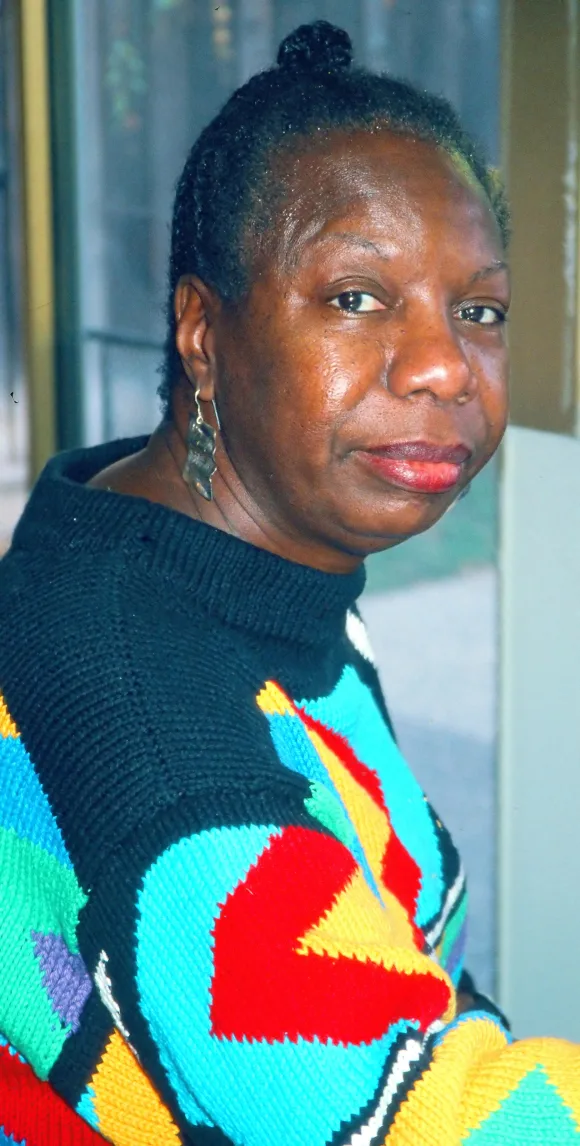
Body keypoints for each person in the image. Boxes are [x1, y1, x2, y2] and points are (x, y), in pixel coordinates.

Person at [0, 20, 578, 1146]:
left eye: (480, 310)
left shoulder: (194, 546)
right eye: (356, 296)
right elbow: (410, 1120)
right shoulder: (153, 718)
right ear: (203, 332)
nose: (444, 367)